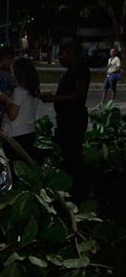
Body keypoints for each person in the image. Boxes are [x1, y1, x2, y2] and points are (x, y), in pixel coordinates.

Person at [40, 41, 90, 202]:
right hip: (66, 119)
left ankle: (77, 192)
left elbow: (79, 95)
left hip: (73, 120)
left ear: (72, 54)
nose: (60, 57)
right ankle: (71, 189)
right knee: (67, 154)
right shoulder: (71, 70)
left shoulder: (80, 70)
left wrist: (55, 98)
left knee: (72, 155)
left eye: (63, 54)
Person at [0, 57, 40, 160]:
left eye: (13, 72)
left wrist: (6, 100)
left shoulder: (19, 91)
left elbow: (12, 115)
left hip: (16, 135)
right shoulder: (32, 89)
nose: (11, 75)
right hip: (29, 132)